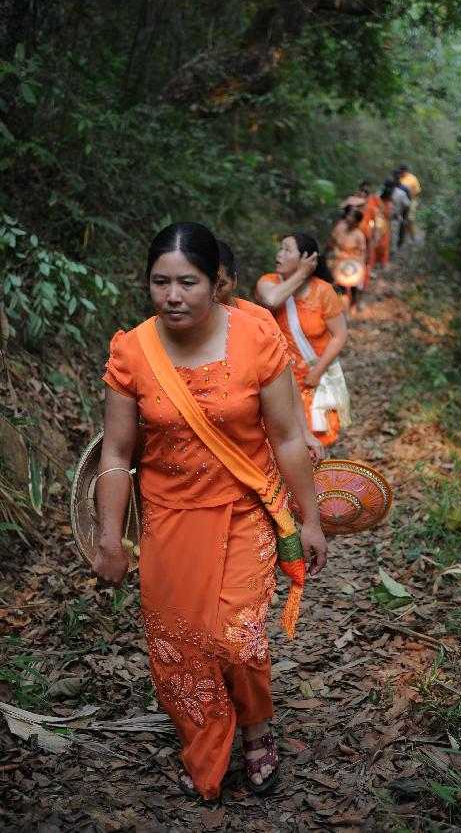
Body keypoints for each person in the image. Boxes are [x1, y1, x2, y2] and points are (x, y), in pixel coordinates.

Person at [92, 222, 327, 801]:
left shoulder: (254, 337)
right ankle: (206, 736)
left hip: (245, 510)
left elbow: (290, 438)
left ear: (214, 282)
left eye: (188, 282)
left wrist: (310, 518)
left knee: (235, 637)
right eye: (160, 282)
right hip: (168, 519)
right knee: (181, 643)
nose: (173, 295)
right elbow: (117, 453)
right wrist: (109, 538)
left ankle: (257, 725)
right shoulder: (132, 350)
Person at [214, 239, 325, 463]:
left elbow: (284, 378)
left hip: (262, 436)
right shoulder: (178, 330)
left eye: (221, 285)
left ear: (234, 280)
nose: (213, 295)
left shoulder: (259, 319)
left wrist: (303, 432)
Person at [255, 233, 348, 449]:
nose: (280, 254)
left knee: (316, 442)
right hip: (276, 379)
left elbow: (340, 334)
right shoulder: (268, 282)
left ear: (306, 257)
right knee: (280, 441)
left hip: (312, 380)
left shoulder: (323, 291)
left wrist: (318, 371)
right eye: (280, 249)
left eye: (287, 250)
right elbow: (271, 300)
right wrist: (302, 273)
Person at [331, 207, 367, 313]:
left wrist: (356, 263)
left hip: (353, 263)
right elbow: (334, 242)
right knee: (340, 286)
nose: (348, 217)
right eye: (349, 215)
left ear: (356, 222)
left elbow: (362, 252)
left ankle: (354, 304)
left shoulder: (359, 235)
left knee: (353, 286)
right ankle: (342, 307)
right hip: (339, 260)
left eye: (352, 216)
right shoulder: (340, 227)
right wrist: (336, 251)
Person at [396, 163, 421, 243]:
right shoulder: (399, 178)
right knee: (401, 218)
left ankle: (412, 235)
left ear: (405, 171)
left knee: (409, 218)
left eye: (402, 171)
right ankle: (401, 236)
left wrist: (411, 199)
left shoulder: (412, 178)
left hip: (412, 199)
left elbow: (417, 191)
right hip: (400, 200)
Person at [390, 175, 411, 252]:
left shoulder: (401, 193)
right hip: (385, 218)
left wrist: (400, 212)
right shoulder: (385, 191)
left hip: (395, 217)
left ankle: (393, 251)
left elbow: (407, 204)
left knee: (394, 235)